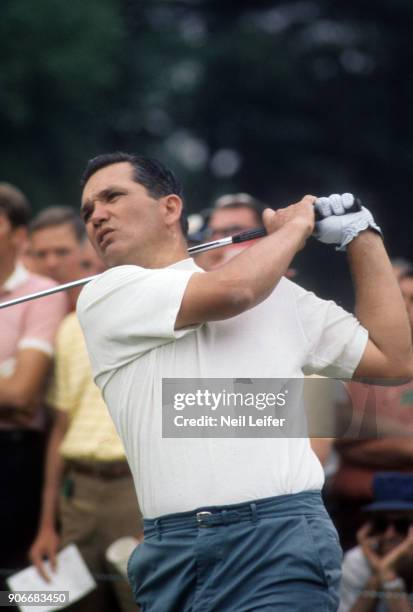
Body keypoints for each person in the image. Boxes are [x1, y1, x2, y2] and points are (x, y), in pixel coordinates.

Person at [76, 152, 413, 611]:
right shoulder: (104, 295)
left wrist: (362, 236)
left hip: (280, 537)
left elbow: (393, 361)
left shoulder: (282, 298)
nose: (97, 214)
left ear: (170, 208)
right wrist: (293, 229)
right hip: (170, 552)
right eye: (88, 209)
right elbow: (233, 292)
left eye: (112, 196)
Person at [29, 241, 142, 612]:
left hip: (133, 489)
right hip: (77, 493)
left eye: (103, 264)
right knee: (67, 603)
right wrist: (48, 525)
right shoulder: (66, 327)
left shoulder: (149, 321)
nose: (94, 272)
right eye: (86, 264)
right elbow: (59, 428)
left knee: (140, 599)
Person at [0, 183, 66, 590]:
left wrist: (13, 385)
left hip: (15, 459)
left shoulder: (41, 292)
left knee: (20, 588)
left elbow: (23, 394)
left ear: (19, 235)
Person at [329, 267, 413, 551]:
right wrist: (402, 435)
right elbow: (327, 426)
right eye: (398, 300)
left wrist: (360, 438)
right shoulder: (347, 359)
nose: (404, 310)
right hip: (353, 516)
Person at [339, 473, 413, 611]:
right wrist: (380, 575)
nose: (389, 534)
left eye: (402, 525)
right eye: (381, 524)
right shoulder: (357, 560)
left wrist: (389, 579)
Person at [29, 206, 89, 310]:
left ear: (84, 250)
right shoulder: (21, 306)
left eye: (62, 252)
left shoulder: (102, 299)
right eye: (41, 254)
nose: (51, 263)